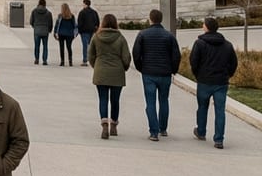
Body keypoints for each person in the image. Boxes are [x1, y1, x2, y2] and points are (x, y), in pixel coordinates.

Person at [131, 9, 180, 141]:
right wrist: (173, 69)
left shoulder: (143, 34)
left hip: (149, 73)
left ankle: (154, 131)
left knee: (150, 102)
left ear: (150, 19)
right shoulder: (169, 36)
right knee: (164, 101)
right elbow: (176, 55)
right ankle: (163, 128)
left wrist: (141, 67)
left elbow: (136, 53)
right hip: (165, 73)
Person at [190, 16, 239, 149]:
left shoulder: (199, 43)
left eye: (203, 24)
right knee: (220, 111)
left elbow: (193, 61)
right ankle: (219, 139)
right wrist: (228, 75)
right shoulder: (227, 45)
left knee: (202, 107)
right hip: (221, 82)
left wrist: (197, 75)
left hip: (204, 81)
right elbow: (233, 63)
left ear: (206, 27)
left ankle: (201, 131)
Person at [89, 13, 130, 140]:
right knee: (115, 100)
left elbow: (91, 55)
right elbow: (126, 57)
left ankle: (104, 124)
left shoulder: (96, 37)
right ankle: (113, 124)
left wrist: (96, 66)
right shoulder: (121, 38)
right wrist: (125, 67)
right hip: (117, 73)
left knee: (103, 99)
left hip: (101, 71)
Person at [76, 0, 100, 66]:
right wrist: (96, 29)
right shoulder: (94, 12)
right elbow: (97, 22)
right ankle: (92, 59)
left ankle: (85, 60)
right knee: (90, 45)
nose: (82, 5)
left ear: (85, 4)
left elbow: (79, 23)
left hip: (84, 31)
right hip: (92, 31)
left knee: (85, 46)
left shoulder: (82, 12)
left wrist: (79, 31)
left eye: (83, 4)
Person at [29, 0, 52, 65]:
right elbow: (50, 23)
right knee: (45, 46)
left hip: (37, 31)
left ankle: (37, 59)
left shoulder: (34, 11)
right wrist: (49, 30)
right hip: (45, 31)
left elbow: (31, 21)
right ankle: (44, 60)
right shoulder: (48, 13)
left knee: (37, 46)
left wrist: (35, 27)